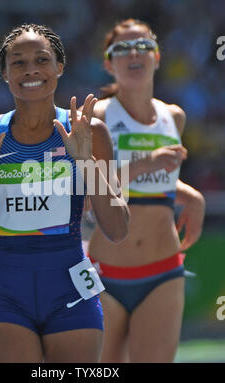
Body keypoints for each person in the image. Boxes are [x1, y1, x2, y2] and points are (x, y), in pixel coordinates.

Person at [0, 23, 130, 363]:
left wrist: (86, 163)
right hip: (8, 289)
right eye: (18, 62)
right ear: (4, 73)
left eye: (41, 59)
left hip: (72, 286)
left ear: (59, 67)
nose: (30, 69)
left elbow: (117, 230)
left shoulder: (88, 131)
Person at [85, 19, 205, 363]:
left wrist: (188, 195)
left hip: (163, 272)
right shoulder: (98, 116)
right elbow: (90, 191)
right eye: (122, 47)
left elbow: (157, 186)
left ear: (157, 56)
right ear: (108, 63)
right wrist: (144, 163)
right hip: (105, 272)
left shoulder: (174, 117)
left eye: (143, 45)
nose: (134, 53)